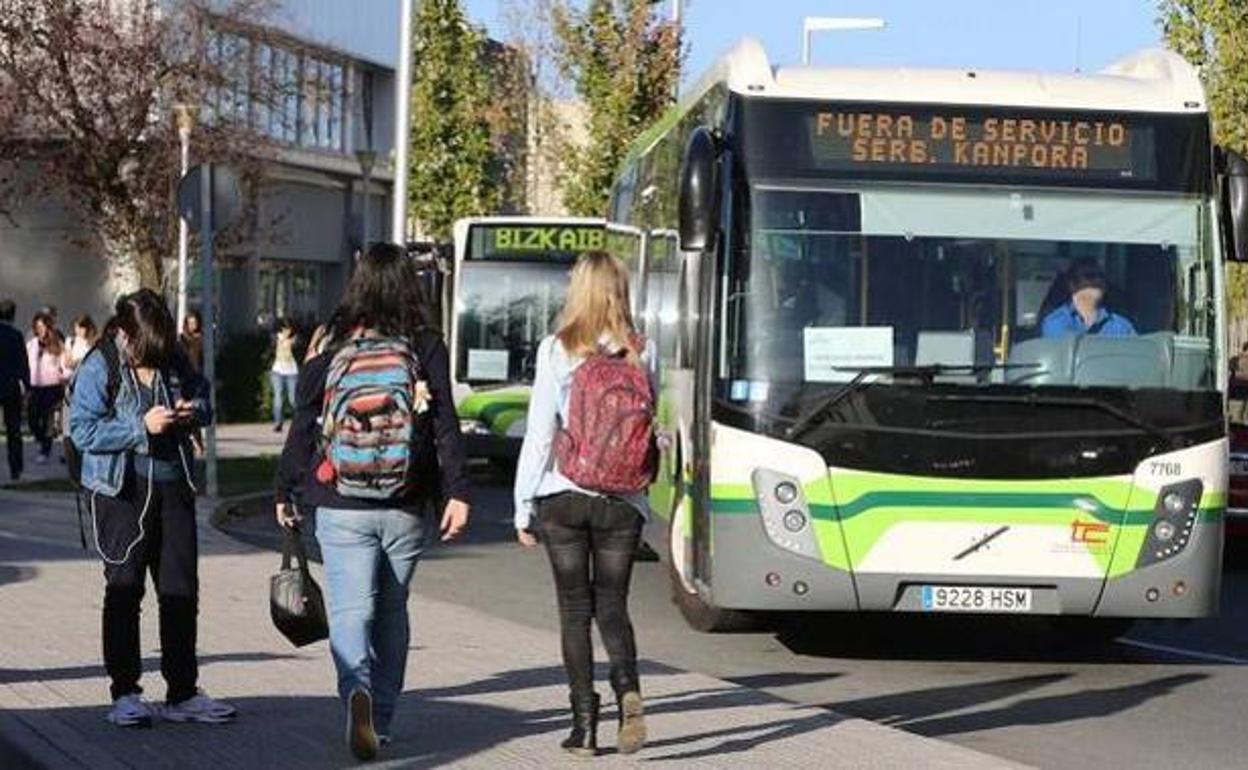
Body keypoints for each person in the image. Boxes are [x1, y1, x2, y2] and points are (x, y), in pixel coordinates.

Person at [274, 242, 470, 760]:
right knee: (392, 610)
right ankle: (380, 719)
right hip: (405, 502)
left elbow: (305, 420)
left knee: (350, 609)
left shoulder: (333, 341)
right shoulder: (426, 343)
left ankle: (354, 689)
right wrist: (457, 493)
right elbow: (445, 421)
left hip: (339, 500)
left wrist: (284, 488)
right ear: (410, 284)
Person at [68, 289, 236, 728]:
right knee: (124, 591)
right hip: (120, 491)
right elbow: (82, 432)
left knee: (180, 591)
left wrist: (190, 411)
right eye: (146, 349)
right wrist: (138, 426)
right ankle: (125, 692)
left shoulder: (172, 355)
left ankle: (182, 691)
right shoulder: (99, 364)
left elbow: (205, 400)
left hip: (173, 486)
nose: (154, 358)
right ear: (125, 333)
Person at [514, 251, 653, 758]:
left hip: (563, 494)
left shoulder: (557, 348)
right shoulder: (642, 350)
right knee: (613, 605)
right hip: (622, 500)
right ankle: (628, 692)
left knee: (575, 611)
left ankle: (584, 727)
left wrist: (522, 504)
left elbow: (539, 433)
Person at [1040, 259, 1137, 338]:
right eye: (1090, 276)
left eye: (1101, 276)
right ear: (1072, 285)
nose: (1097, 280)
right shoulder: (1056, 321)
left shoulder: (1122, 325)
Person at [27, 311, 67, 463]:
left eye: (43, 326)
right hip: (36, 387)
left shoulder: (57, 344)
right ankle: (42, 440)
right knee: (32, 419)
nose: (40, 330)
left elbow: (64, 364)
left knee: (48, 420)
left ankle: (45, 450)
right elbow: (26, 363)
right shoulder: (32, 344)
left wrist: (64, 376)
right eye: (37, 327)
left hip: (53, 387)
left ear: (48, 327)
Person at [0, 299, 30, 482]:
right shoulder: (16, 335)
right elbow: (23, 363)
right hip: (11, 387)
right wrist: (26, 385)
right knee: (14, 430)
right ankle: (15, 469)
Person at [270, 318, 299, 432]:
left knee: (293, 399)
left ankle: (297, 421)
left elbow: (298, 351)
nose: (285, 331)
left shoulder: (295, 340)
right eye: (283, 329)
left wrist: (292, 343)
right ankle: (278, 422)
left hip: (292, 371)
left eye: (287, 329)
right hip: (277, 371)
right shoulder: (276, 338)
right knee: (278, 398)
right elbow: (271, 349)